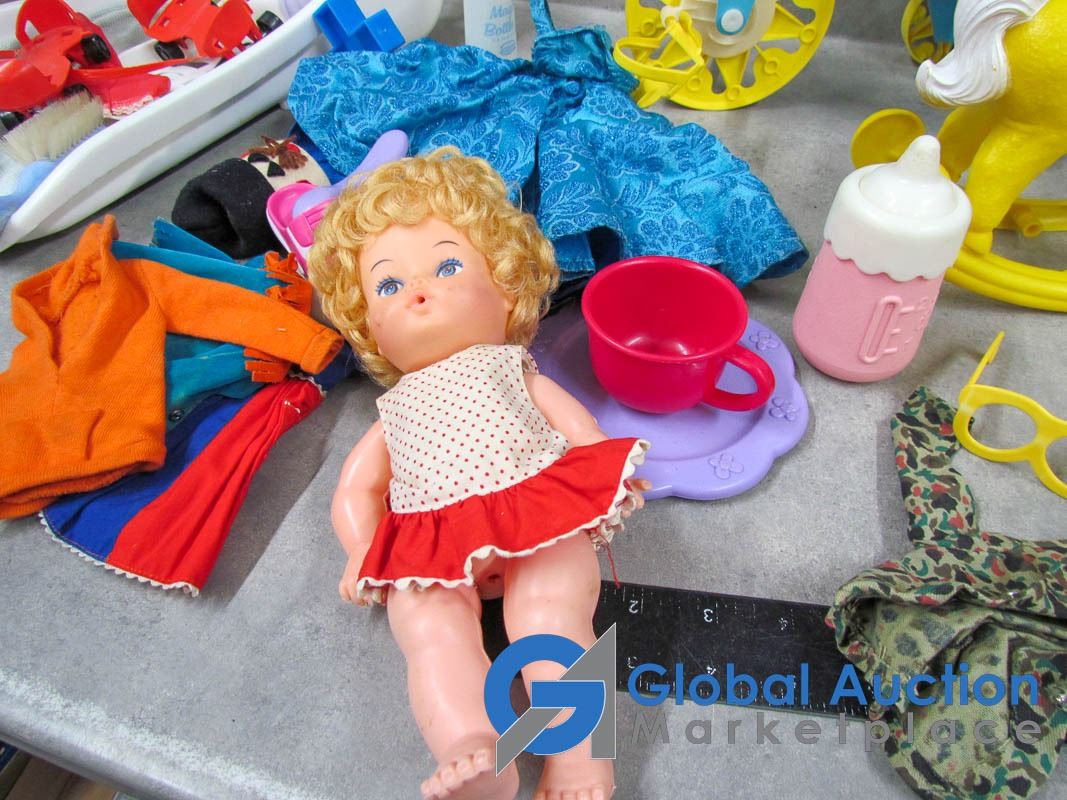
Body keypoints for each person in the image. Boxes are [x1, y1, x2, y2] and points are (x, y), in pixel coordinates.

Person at [309, 147, 649, 800]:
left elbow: (577, 427)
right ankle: (470, 745)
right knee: (428, 630)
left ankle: (581, 759)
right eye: (388, 286)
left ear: (506, 286)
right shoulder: (393, 409)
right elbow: (357, 488)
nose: (417, 290)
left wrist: (602, 469)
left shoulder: (510, 368)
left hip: (536, 512)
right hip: (429, 539)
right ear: (370, 327)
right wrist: (360, 549)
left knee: (549, 615)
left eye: (447, 266)